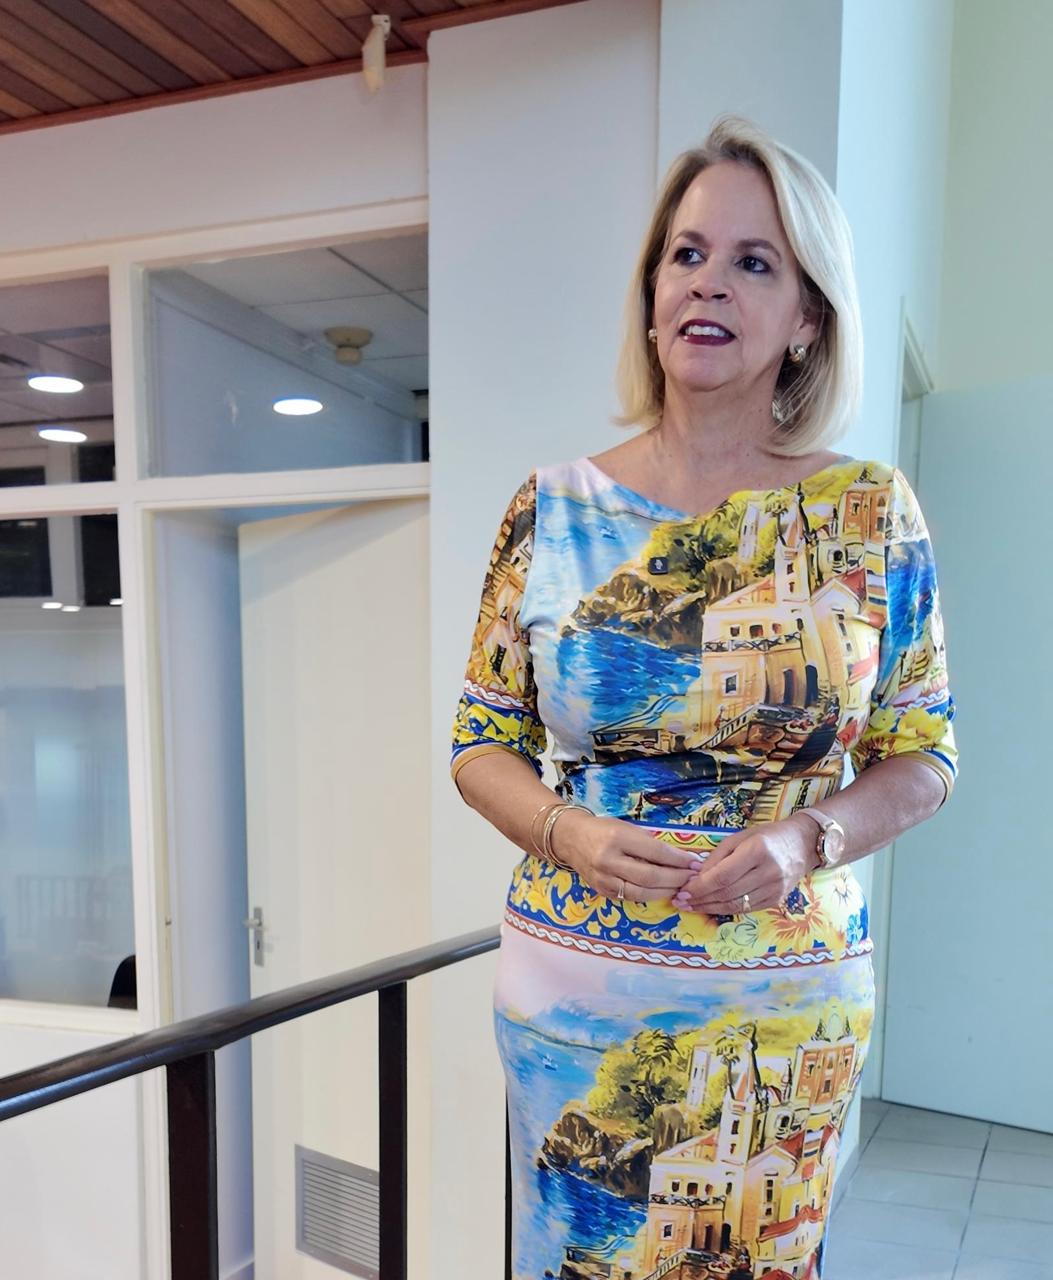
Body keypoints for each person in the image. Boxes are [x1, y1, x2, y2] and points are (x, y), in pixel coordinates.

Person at [450, 113, 958, 1280]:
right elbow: (480, 740)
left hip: (786, 1015)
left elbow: (926, 752)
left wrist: (805, 837)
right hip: (575, 1012)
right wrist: (566, 829)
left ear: (808, 316)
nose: (708, 281)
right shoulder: (550, 509)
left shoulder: (869, 514)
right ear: (651, 296)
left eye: (753, 260)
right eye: (686, 253)